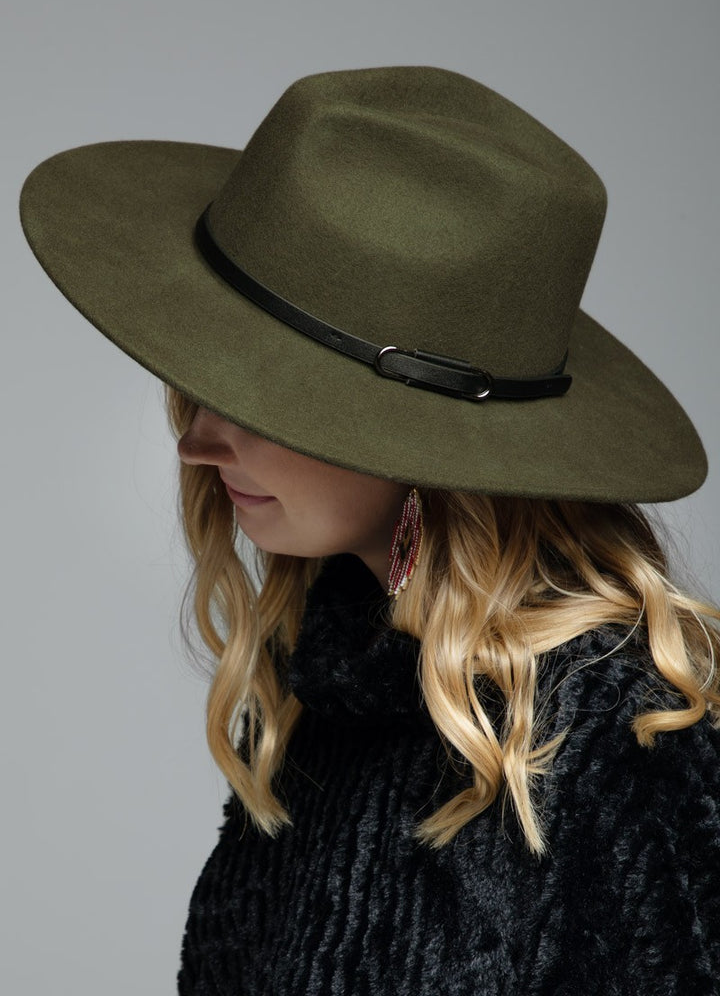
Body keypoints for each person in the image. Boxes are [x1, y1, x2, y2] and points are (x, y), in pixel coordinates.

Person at [20, 66, 720, 994]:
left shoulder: (621, 735)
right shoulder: (329, 693)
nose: (195, 442)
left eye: (259, 397)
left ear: (423, 439)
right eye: (203, 381)